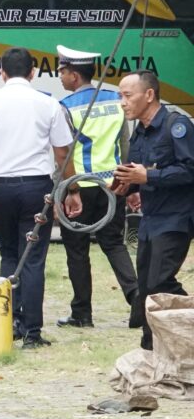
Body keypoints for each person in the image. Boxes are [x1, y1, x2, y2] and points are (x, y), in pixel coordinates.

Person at [0, 47, 72, 347]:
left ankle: (6, 323)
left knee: (9, 254)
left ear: (1, 72)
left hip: (1, 187)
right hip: (37, 187)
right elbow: (62, 152)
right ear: (33, 72)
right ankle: (33, 332)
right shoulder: (47, 104)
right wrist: (72, 190)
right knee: (34, 260)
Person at [55, 45, 138, 329]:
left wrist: (66, 191)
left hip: (78, 187)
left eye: (63, 72)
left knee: (77, 250)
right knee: (114, 244)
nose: (61, 78)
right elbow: (124, 144)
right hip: (112, 185)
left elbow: (63, 153)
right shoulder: (117, 100)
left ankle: (82, 314)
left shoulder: (65, 107)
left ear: (75, 76)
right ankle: (136, 298)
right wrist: (126, 181)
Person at [110, 71, 193, 351]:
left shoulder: (176, 126)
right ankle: (150, 349)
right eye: (121, 95)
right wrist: (127, 186)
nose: (122, 102)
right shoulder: (140, 132)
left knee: (160, 282)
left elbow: (189, 170)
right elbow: (136, 170)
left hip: (176, 219)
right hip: (149, 220)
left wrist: (148, 178)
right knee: (145, 288)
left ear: (149, 95)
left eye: (127, 95)